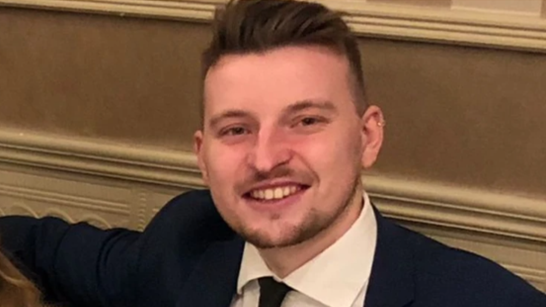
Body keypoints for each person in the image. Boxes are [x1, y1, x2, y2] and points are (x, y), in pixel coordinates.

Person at [0, 0, 545, 306]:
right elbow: (42, 245)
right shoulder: (183, 245)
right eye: (236, 130)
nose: (266, 158)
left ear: (368, 136)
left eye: (305, 121)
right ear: (202, 154)